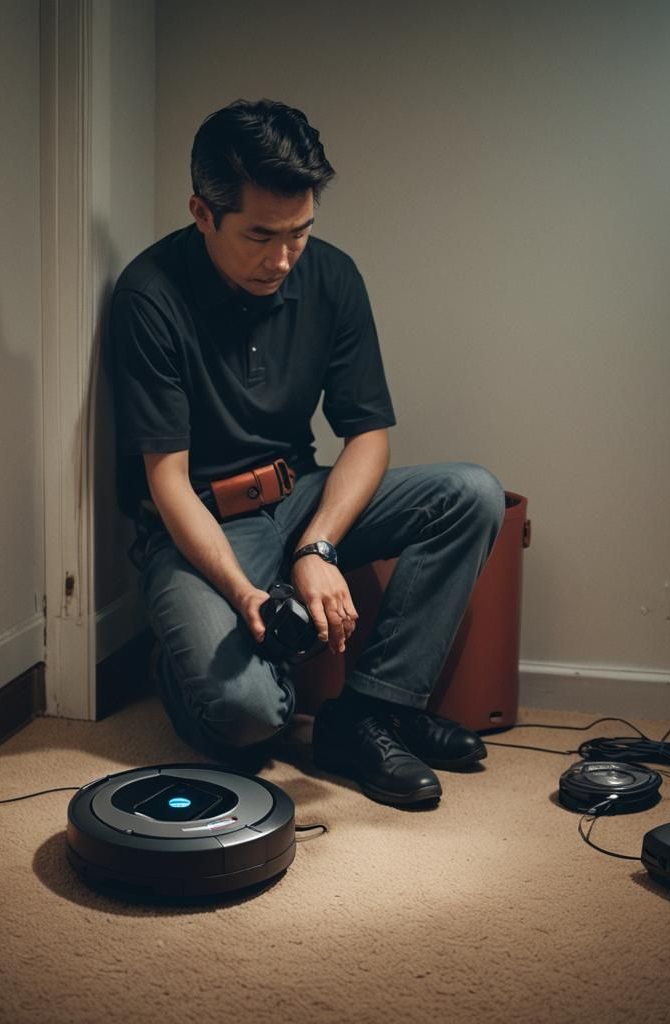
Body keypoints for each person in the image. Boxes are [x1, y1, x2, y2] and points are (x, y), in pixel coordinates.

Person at [110, 99, 504, 806]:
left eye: (300, 232)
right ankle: (180, 662)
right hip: (199, 525)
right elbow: (165, 482)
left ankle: (369, 712)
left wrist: (316, 548)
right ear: (203, 212)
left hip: (299, 497)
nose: (285, 257)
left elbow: (368, 436)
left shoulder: (331, 276)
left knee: (470, 493)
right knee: (251, 719)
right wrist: (244, 595)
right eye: (262, 236)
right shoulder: (149, 296)